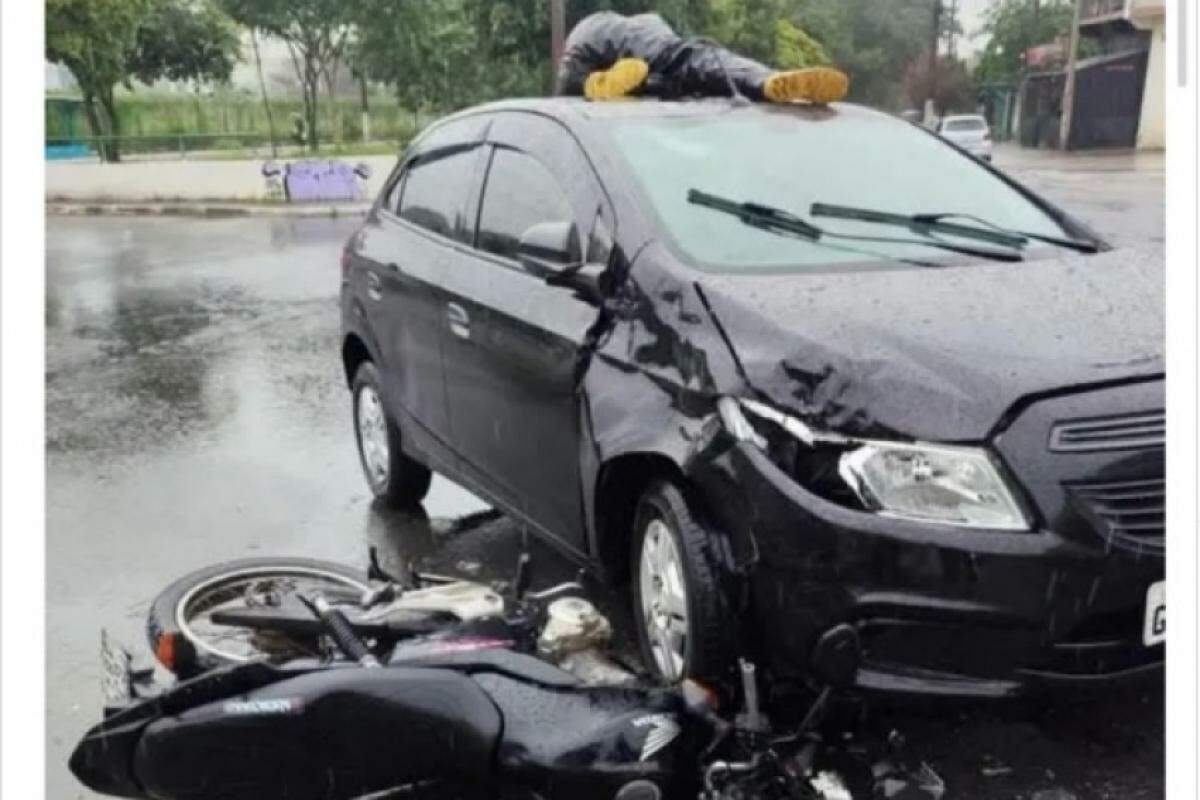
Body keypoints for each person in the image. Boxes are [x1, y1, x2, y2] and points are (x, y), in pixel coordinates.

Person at [556, 11, 848, 104]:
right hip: (611, 55)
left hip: (624, 49)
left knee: (690, 66)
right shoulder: (595, 37)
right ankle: (764, 81)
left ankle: (765, 82)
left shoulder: (627, 31)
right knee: (696, 69)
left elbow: (566, 84)